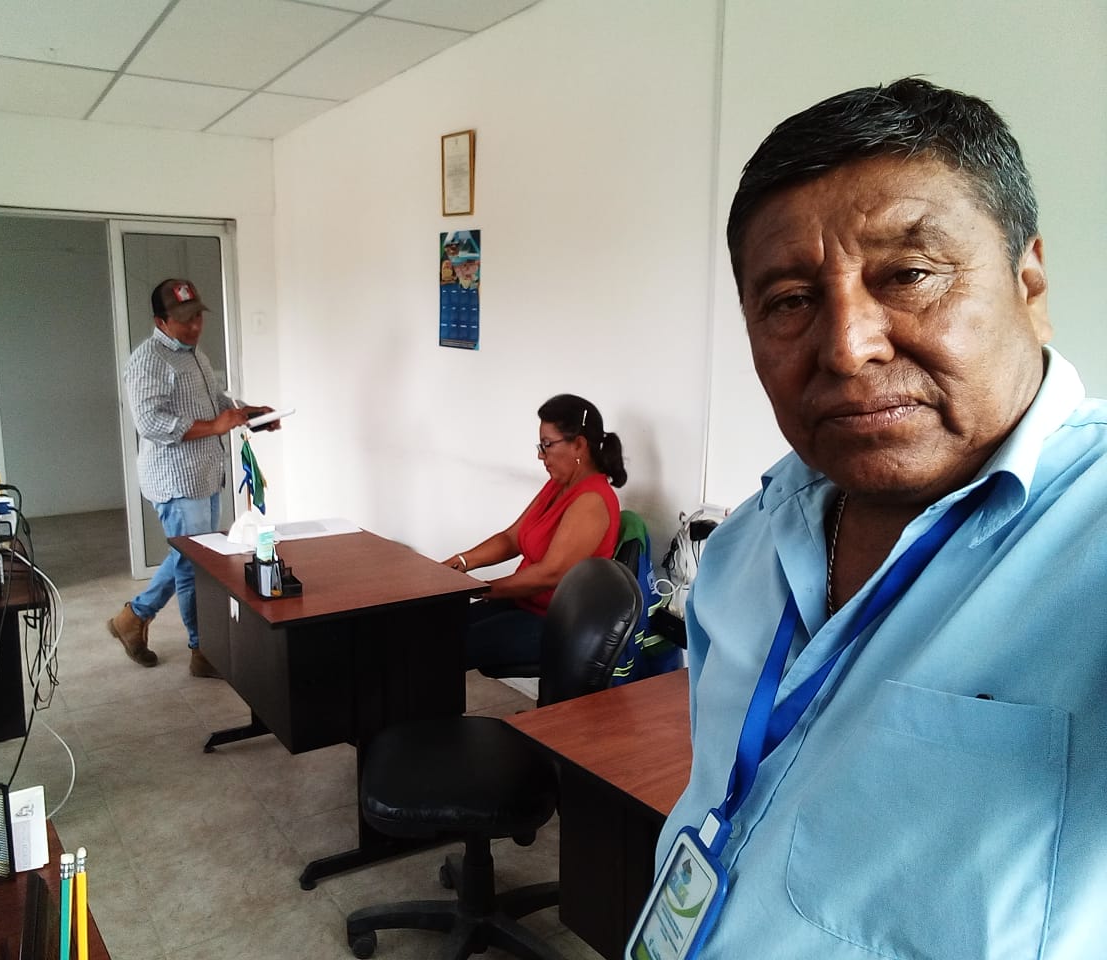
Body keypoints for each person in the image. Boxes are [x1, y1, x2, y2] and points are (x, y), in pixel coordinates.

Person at [649, 78, 1106, 959]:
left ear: (1030, 281)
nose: (848, 344)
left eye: (909, 275)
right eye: (790, 300)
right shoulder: (742, 547)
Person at [108, 278, 280, 678]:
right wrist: (216, 426)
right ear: (161, 321)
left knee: (192, 557)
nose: (195, 326)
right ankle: (203, 651)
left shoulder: (194, 354)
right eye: (184, 320)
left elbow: (216, 401)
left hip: (204, 474)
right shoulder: (148, 360)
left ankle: (133, 617)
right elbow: (151, 423)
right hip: (176, 480)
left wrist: (252, 414)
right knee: (194, 566)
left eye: (198, 317)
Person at [444, 394, 626, 671]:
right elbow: (511, 538)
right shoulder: (558, 485)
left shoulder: (592, 500)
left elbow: (550, 573)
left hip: (556, 622)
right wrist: (460, 563)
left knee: (443, 649)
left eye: (547, 445)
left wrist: (484, 589)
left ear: (579, 444)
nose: (541, 455)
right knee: (435, 629)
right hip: (523, 603)